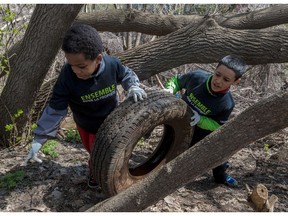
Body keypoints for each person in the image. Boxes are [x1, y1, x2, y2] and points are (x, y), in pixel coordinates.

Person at [25, 24, 147, 188]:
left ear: (98, 58)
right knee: (95, 152)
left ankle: (114, 173)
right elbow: (56, 109)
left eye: (81, 66)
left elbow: (126, 74)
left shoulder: (112, 65)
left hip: (112, 121)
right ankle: (96, 172)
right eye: (71, 65)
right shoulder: (67, 77)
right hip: (86, 125)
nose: (76, 70)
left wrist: (133, 85)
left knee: (113, 150)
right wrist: (39, 138)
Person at [164, 55, 247, 187]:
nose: (218, 81)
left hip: (201, 132)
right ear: (214, 70)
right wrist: (169, 89)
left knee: (219, 151)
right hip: (179, 122)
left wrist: (200, 119)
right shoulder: (197, 77)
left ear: (236, 82)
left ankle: (221, 177)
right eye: (217, 74)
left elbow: (217, 125)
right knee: (167, 149)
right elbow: (176, 81)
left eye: (226, 79)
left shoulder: (227, 103)